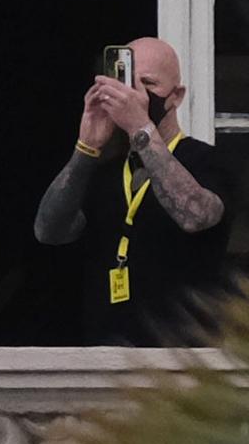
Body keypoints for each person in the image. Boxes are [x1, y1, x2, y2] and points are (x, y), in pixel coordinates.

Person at [32, 36, 232, 345]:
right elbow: (49, 230)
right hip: (105, 357)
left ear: (176, 96)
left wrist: (141, 128)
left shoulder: (207, 161)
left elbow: (196, 215)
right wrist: (87, 147)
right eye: (126, 82)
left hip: (184, 358)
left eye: (148, 83)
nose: (134, 95)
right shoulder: (106, 174)